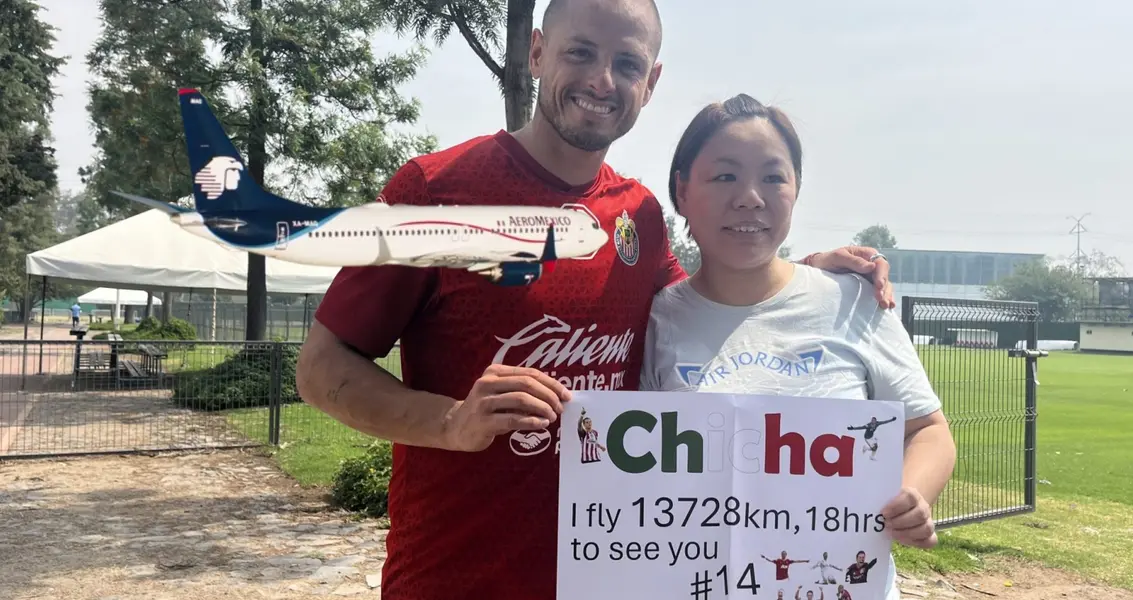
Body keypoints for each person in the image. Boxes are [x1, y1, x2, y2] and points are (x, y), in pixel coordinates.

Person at [295, 1, 896, 598]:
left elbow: (704, 301)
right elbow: (322, 369)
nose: (602, 81)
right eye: (580, 52)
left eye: (628, 64)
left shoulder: (639, 215)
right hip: (454, 576)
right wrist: (452, 423)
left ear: (651, 82)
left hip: (613, 577)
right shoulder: (436, 191)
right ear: (536, 53)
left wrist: (799, 275)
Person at [638, 92, 957, 600]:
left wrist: (914, 493)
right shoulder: (657, 319)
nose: (749, 197)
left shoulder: (855, 299)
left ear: (796, 189)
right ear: (682, 191)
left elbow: (929, 430)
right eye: (724, 176)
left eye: (772, 177)